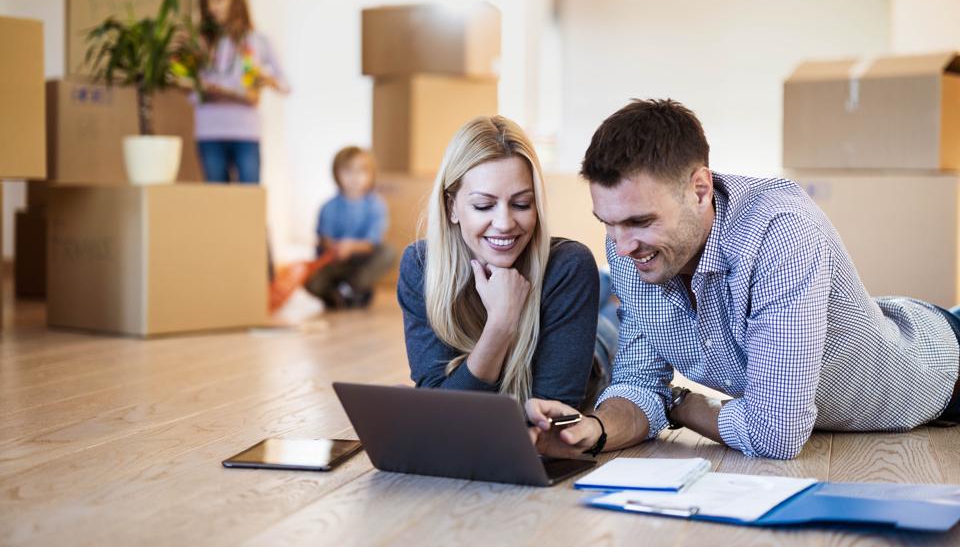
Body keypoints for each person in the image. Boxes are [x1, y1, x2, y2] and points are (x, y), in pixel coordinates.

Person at [527, 98, 960, 460]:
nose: (621, 248)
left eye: (640, 221)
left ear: (699, 188)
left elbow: (777, 433)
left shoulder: (779, 231)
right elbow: (639, 384)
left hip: (939, 371)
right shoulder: (631, 251)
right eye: (608, 223)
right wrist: (593, 430)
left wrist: (683, 403)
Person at [398, 116, 617, 409]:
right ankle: (606, 282)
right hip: (556, 307)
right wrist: (501, 323)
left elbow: (549, 411)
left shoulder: (569, 264)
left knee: (615, 315)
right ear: (452, 207)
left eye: (521, 204)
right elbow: (442, 411)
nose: (504, 223)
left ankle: (609, 285)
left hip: (597, 351)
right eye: (484, 205)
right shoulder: (421, 266)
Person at [193, 0, 289, 184]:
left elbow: (286, 84)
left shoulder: (257, 40)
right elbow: (190, 91)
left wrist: (267, 79)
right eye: (208, 1)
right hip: (209, 130)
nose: (213, 7)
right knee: (217, 200)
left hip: (246, 131)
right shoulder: (201, 43)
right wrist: (203, 91)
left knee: (249, 199)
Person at [305, 146, 395, 308]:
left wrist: (351, 247)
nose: (355, 177)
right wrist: (335, 248)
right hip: (334, 261)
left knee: (388, 252)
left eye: (361, 171)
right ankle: (342, 295)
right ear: (336, 175)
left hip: (361, 261)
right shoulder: (328, 207)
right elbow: (324, 239)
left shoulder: (376, 205)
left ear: (371, 175)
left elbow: (372, 242)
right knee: (310, 281)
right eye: (348, 171)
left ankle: (351, 289)